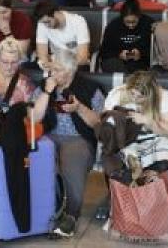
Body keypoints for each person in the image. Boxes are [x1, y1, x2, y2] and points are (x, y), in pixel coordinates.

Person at [42, 50, 103, 238]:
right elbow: (33, 114)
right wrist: (46, 92)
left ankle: (71, 215)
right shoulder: (45, 86)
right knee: (41, 162)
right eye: (52, 69)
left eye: (57, 70)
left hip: (78, 138)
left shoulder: (90, 88)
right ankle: (45, 212)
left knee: (72, 163)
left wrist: (79, 108)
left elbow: (99, 122)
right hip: (48, 136)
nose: (52, 74)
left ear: (70, 72)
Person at [102, 71, 168, 176]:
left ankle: (152, 186)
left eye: (140, 97)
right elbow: (104, 124)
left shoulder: (162, 96)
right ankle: (130, 182)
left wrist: (149, 122)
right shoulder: (117, 94)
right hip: (126, 141)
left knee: (164, 166)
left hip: (156, 139)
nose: (135, 99)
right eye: (132, 93)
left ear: (151, 95)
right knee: (116, 164)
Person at [34, 0, 90, 71]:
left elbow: (83, 58)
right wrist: (48, 64)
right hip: (55, 63)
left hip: (75, 63)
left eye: (48, 22)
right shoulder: (43, 24)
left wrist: (61, 66)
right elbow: (42, 54)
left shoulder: (78, 22)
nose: (46, 25)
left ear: (56, 13)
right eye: (44, 23)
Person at [100, 0, 152, 73]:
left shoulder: (148, 24)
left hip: (140, 63)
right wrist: (119, 54)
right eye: (127, 22)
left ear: (139, 17)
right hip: (116, 62)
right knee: (115, 64)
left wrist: (141, 54)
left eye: (134, 22)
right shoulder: (113, 26)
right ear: (122, 18)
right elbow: (104, 51)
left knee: (136, 67)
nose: (130, 25)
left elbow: (154, 50)